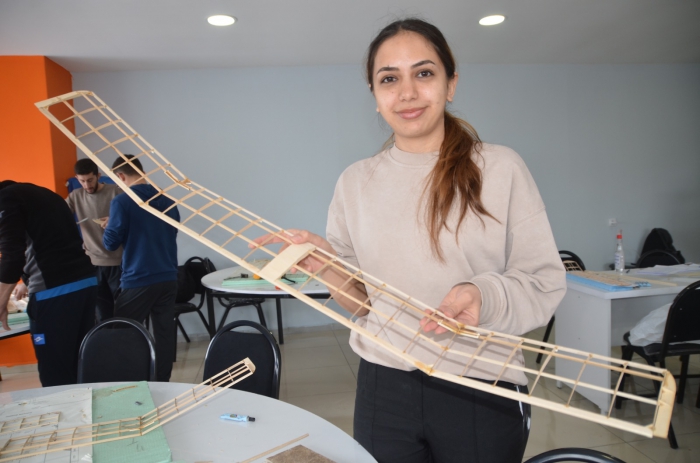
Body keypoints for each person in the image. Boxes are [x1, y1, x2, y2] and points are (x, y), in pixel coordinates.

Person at [253, 19, 566, 463]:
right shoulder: (355, 182)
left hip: (481, 384)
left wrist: (482, 293)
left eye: (424, 73)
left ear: (450, 84)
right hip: (384, 386)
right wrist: (326, 266)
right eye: (389, 79)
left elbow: (543, 281)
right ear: (375, 95)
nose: (407, 92)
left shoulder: (500, 168)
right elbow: (364, 305)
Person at [0, 180, 97, 387]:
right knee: (82, 364)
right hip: (86, 283)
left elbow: (11, 257)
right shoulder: (44, 194)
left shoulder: (6, 199)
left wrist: (1, 302)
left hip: (54, 292)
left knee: (55, 372)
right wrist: (26, 280)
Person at [103, 155, 180, 382]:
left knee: (123, 331)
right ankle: (162, 381)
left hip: (139, 277)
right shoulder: (167, 199)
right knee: (164, 333)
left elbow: (110, 243)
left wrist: (108, 225)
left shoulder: (122, 202)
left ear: (121, 176)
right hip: (168, 274)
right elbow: (172, 231)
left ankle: (129, 381)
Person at [66, 158, 123, 322]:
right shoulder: (75, 196)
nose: (87, 185)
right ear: (77, 179)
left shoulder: (116, 192)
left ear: (98, 176)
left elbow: (134, 218)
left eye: (90, 180)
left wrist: (114, 220)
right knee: (101, 312)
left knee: (123, 309)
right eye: (82, 181)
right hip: (92, 263)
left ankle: (125, 338)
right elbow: (58, 215)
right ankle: (105, 338)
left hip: (117, 262)